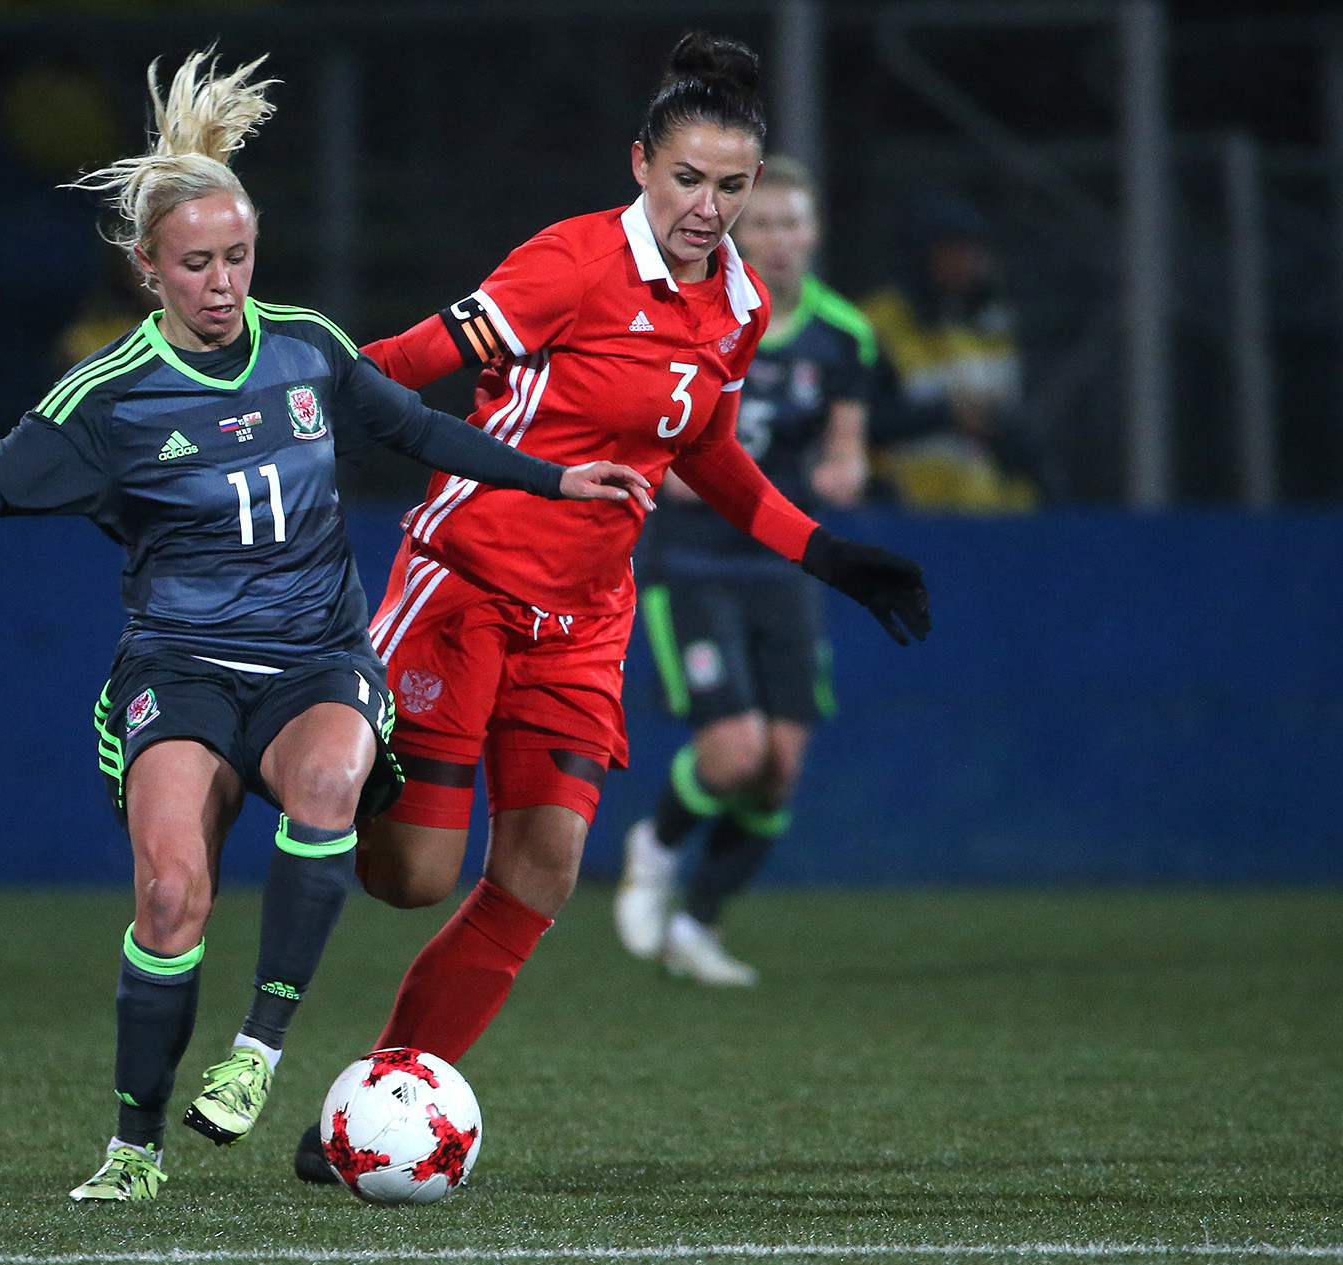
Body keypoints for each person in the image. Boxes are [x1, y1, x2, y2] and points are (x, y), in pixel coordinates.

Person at [0, 50, 651, 1205]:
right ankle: (134, 1146)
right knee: (172, 900)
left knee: (330, 780)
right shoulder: (110, 400)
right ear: (148, 269)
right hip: (178, 670)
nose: (223, 282)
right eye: (197, 263)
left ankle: (256, 1053)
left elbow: (419, 429)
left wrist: (549, 479)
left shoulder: (309, 348)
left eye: (237, 256)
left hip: (318, 661)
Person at [294, 32, 930, 1183]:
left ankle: (382, 1099)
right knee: (413, 876)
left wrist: (823, 550)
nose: (709, 206)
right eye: (688, 178)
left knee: (541, 869)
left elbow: (712, 451)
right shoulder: (569, 264)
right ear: (641, 163)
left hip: (586, 616)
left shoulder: (737, 303)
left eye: (732, 186)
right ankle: (302, 745)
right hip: (468, 586)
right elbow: (407, 358)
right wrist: (284, 386)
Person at [612, 154, 874, 986]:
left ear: (815, 232)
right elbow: (649, 434)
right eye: (763, 222)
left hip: (784, 565)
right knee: (732, 754)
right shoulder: (691, 312)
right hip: (691, 561)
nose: (779, 239)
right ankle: (653, 849)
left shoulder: (844, 334)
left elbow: (847, 452)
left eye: (792, 223)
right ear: (735, 229)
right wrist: (678, 468)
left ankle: (698, 925)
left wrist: (844, 473)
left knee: (778, 772)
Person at [861, 189, 1049, 510]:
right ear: (920, 256)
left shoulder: (999, 325)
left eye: (974, 251)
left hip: (997, 514)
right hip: (904, 513)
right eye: (950, 251)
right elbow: (863, 419)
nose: (966, 264)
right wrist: (946, 414)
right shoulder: (877, 323)